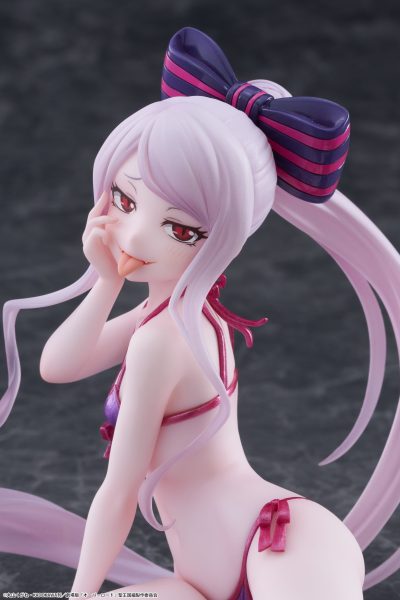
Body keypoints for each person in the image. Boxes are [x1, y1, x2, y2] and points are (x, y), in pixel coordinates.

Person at [1, 26, 399, 599]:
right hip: (197, 584)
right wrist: (107, 282)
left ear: (226, 237)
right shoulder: (172, 315)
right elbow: (58, 366)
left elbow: (118, 491)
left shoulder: (164, 339)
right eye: (125, 200)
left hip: (279, 543)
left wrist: (79, 595)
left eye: (182, 229)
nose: (136, 236)